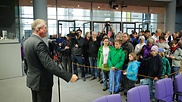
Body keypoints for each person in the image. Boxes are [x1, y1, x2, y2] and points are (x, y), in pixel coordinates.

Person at [24, 19, 78, 102]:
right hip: (42, 82)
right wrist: (68, 76)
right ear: (38, 29)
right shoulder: (39, 43)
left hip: (33, 80)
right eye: (45, 28)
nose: (47, 30)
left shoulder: (27, 41)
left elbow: (26, 62)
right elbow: (49, 65)